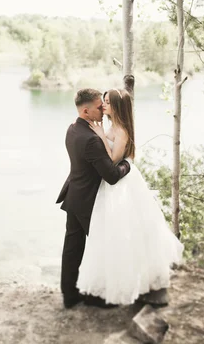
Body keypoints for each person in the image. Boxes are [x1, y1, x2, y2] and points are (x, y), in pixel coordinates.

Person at [76, 88, 184, 306]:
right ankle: (112, 283)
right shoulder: (112, 126)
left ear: (116, 107)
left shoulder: (122, 130)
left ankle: (141, 285)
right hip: (112, 185)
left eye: (106, 102)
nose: (102, 106)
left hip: (124, 185)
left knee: (128, 232)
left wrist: (99, 137)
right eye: (102, 102)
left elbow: (114, 158)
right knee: (110, 233)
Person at [56, 88, 132, 309]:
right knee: (102, 246)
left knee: (73, 247)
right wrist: (127, 166)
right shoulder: (91, 140)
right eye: (99, 107)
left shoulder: (73, 129)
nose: (103, 110)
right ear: (87, 111)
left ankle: (70, 295)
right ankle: (96, 296)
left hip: (74, 195)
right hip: (89, 200)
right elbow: (110, 176)